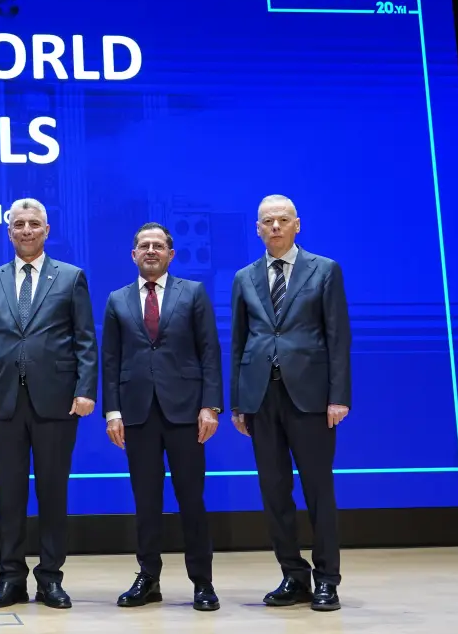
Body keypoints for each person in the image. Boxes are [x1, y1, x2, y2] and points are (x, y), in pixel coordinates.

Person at [0, 198, 98, 609]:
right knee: (8, 495)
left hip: (57, 401)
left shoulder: (71, 277)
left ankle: (50, 578)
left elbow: (85, 339)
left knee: (52, 492)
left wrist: (85, 389)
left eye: (33, 224)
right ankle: (10, 578)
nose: (26, 230)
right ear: (9, 231)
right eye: (19, 224)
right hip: (4, 402)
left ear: (47, 230)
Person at [230, 194, 351, 612]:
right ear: (258, 229)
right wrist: (238, 402)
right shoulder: (244, 277)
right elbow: (239, 342)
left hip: (311, 397)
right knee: (274, 490)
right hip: (261, 397)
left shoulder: (324, 269)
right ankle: (293, 575)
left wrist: (338, 396)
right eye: (268, 221)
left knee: (318, 489)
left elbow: (338, 337)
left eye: (283, 219)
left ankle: (327, 579)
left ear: (297, 224)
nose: (276, 227)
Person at [101, 223, 222, 612]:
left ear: (171, 254)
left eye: (158, 245)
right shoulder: (117, 299)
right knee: (146, 500)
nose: (150, 250)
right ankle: (148, 577)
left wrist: (210, 405)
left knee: (191, 499)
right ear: (133, 255)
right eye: (144, 245)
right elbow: (110, 361)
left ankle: (202, 581)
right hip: (137, 414)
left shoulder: (194, 292)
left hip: (186, 412)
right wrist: (112, 412)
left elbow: (209, 352)